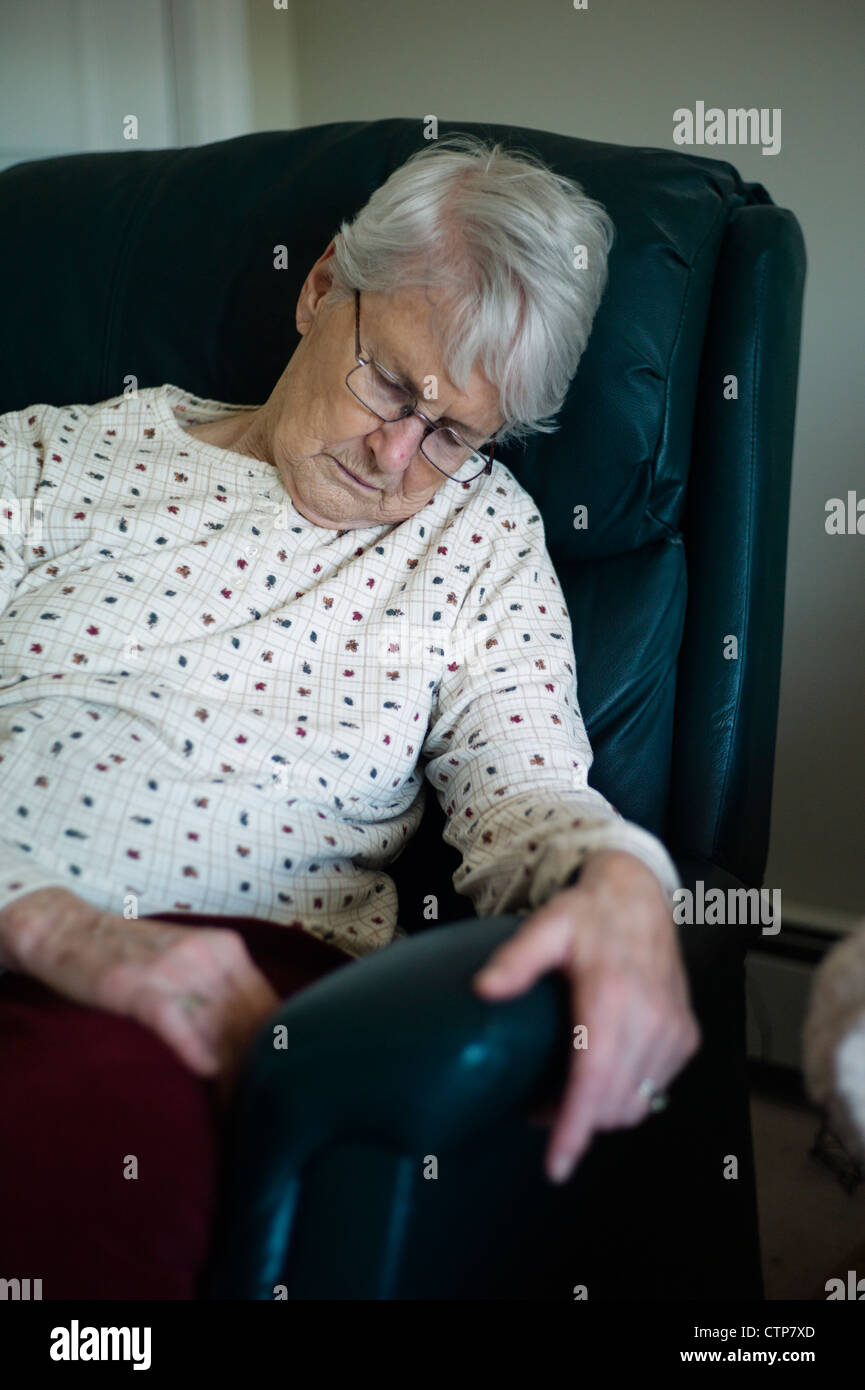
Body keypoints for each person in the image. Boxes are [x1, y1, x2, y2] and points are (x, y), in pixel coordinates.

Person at [0, 134, 698, 1298]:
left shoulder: (478, 540)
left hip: (196, 991)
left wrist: (622, 880)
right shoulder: (45, 458)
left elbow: (527, 796)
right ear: (322, 286)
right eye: (389, 383)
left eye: (452, 432)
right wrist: (41, 924)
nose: (393, 454)